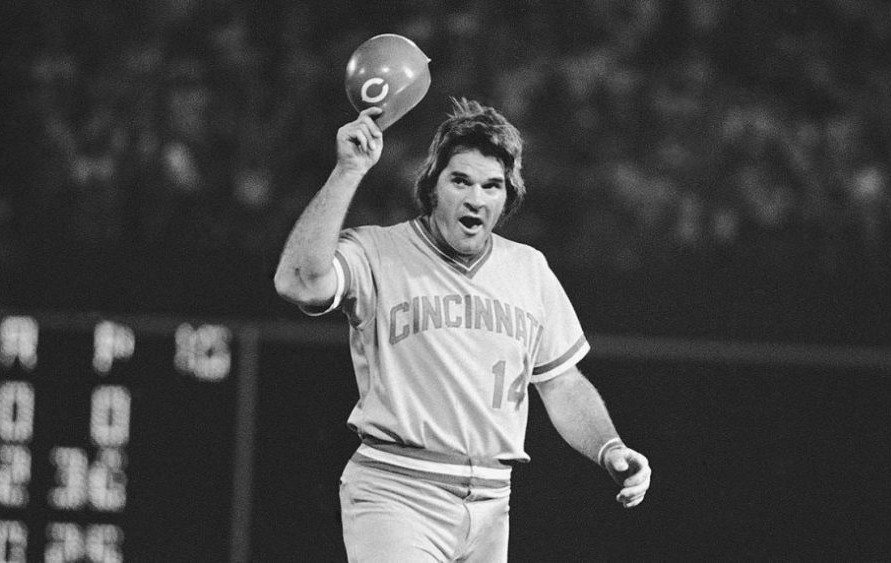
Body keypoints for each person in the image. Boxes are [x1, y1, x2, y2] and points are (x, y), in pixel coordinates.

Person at [274, 98, 651, 562]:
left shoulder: (528, 269)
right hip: (397, 492)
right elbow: (297, 281)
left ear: (507, 197)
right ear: (432, 186)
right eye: (461, 181)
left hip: (493, 505)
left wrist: (610, 448)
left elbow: (561, 383)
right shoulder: (378, 251)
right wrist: (348, 170)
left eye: (492, 186)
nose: (476, 198)